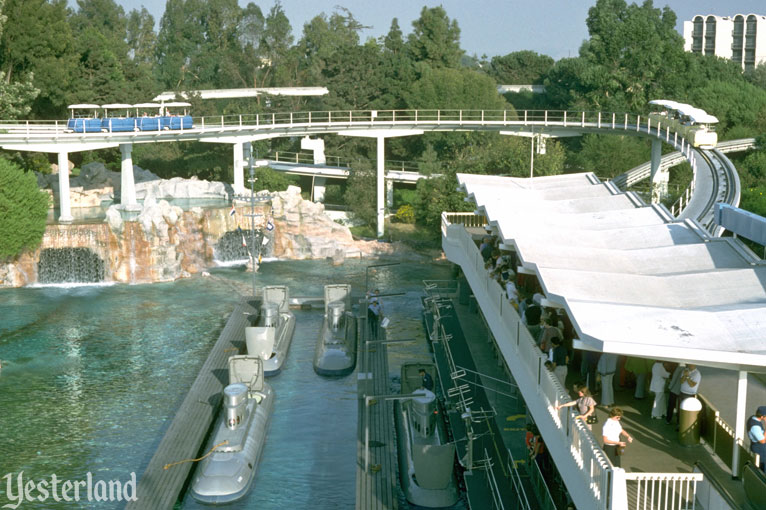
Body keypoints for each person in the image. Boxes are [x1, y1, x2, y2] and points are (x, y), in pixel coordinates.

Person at [747, 406, 766, 472]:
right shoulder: (755, 426)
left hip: (760, 448)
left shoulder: (753, 418)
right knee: (762, 468)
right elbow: (762, 441)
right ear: (762, 417)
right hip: (759, 450)